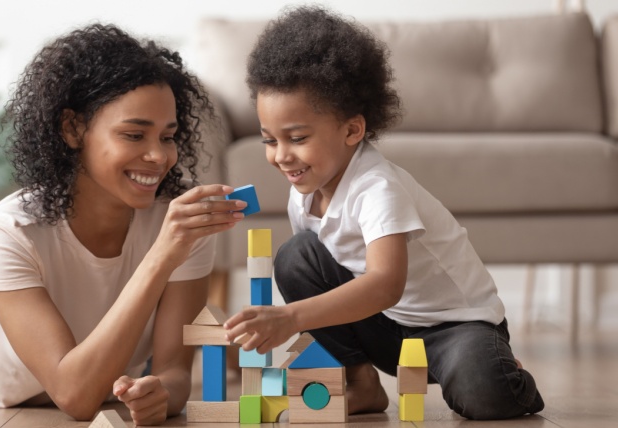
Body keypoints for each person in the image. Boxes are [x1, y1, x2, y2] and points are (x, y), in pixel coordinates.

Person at [0, 23, 246, 425]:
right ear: (72, 128)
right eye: (134, 134)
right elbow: (77, 397)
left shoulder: (179, 218)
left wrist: (162, 393)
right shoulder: (7, 229)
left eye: (167, 137)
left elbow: (175, 372)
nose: (158, 156)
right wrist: (161, 258)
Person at [224, 6, 544, 420]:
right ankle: (361, 383)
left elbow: (384, 284)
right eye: (270, 140)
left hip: (453, 329)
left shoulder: (377, 188)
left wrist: (289, 318)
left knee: (483, 394)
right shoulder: (304, 191)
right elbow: (330, 283)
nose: (281, 156)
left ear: (352, 130)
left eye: (297, 138)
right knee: (296, 256)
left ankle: (508, 374)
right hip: (381, 328)